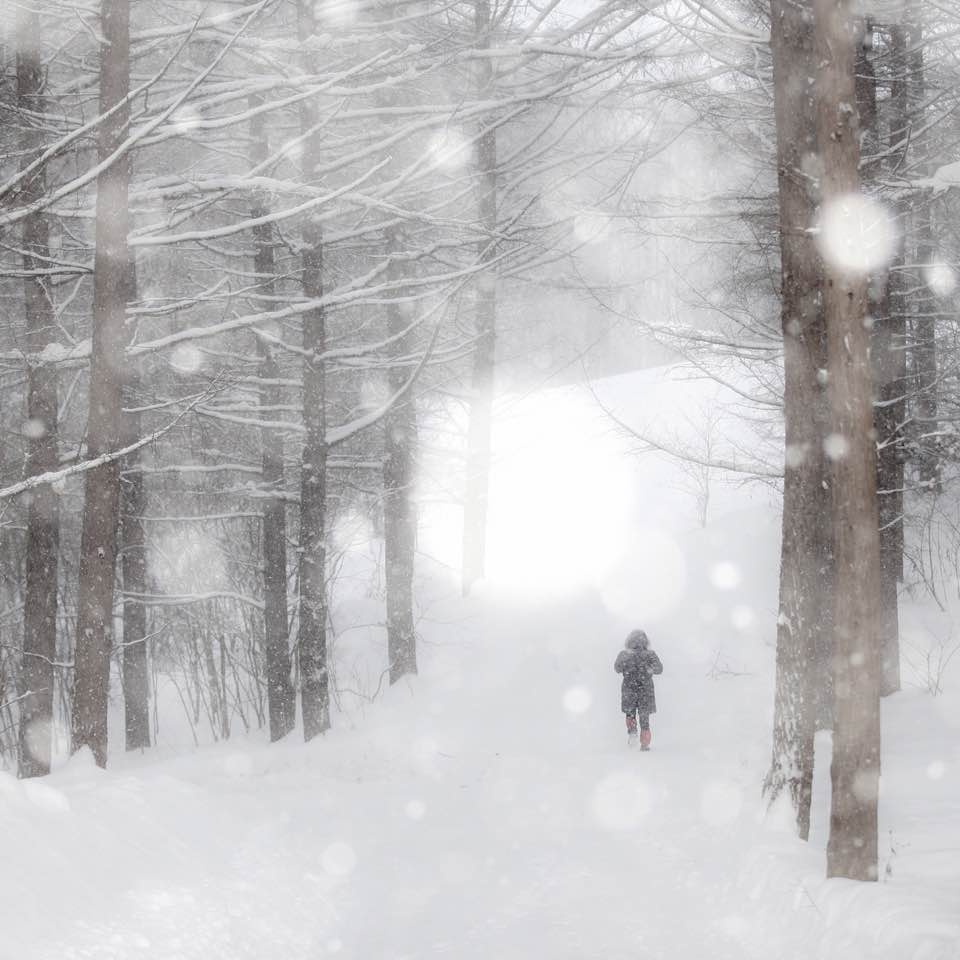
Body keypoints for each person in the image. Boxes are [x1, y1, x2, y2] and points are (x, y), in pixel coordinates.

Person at [614, 629, 663, 750]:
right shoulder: (650, 654)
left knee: (630, 714)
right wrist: (648, 669)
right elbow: (659, 669)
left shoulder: (624, 654)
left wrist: (628, 667)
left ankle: (632, 734)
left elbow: (617, 668)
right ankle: (645, 744)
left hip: (628, 690)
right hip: (645, 691)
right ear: (645, 641)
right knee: (644, 718)